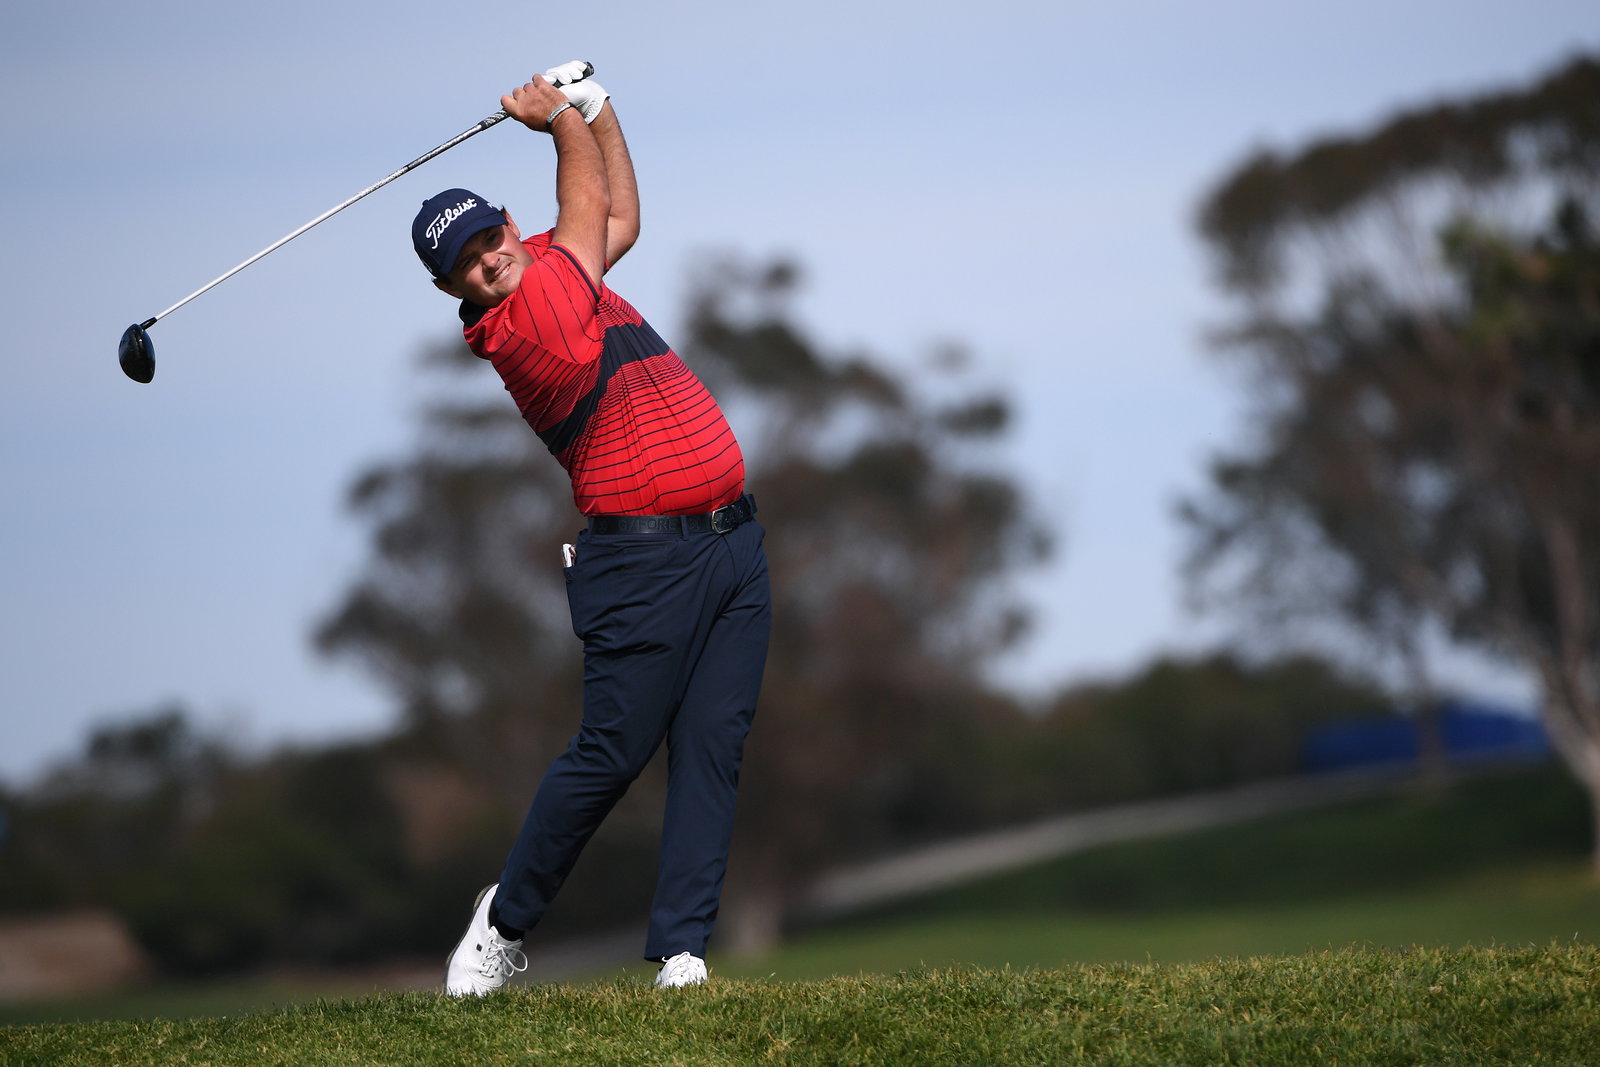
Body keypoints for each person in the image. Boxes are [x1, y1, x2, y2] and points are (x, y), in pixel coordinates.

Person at [415, 62, 771, 994]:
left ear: (506, 223)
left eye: (490, 237)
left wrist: (601, 109)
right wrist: (560, 122)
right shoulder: (525, 320)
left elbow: (619, 221)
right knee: (611, 753)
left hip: (734, 546)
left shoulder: (551, 266)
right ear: (456, 289)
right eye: (468, 264)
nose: (489, 258)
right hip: (644, 564)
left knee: (713, 745)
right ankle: (501, 924)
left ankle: (683, 952)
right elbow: (583, 209)